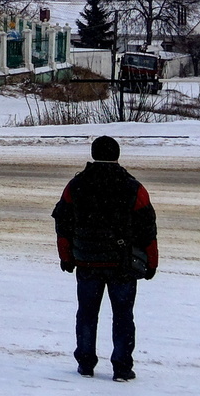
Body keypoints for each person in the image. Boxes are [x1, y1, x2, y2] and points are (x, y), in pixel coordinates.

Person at [54, 135, 158, 382]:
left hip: (87, 262)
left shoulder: (76, 185)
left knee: (87, 313)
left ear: (93, 153)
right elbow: (147, 230)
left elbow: (63, 223)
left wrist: (66, 256)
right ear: (117, 155)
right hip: (122, 263)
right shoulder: (133, 187)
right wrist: (151, 262)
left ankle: (86, 363)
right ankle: (121, 367)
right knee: (123, 316)